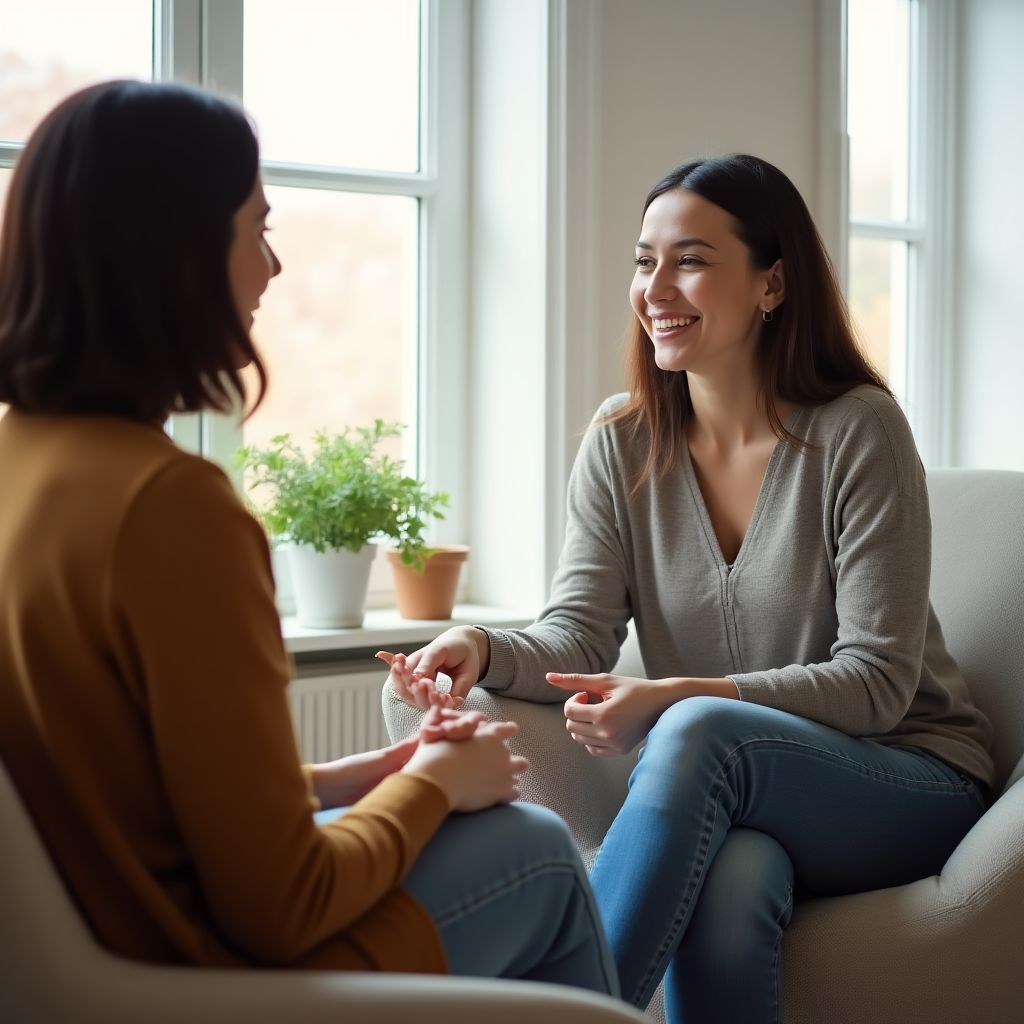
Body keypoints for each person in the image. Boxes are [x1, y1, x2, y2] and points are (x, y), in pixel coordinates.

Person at [0, 80, 618, 995]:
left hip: (95, 951)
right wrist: (439, 783)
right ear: (177, 257)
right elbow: (283, 901)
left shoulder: (22, 465)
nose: (273, 269)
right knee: (532, 846)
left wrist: (348, 779)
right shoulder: (171, 508)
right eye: (258, 229)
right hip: (196, 970)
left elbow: (131, 790)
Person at [385, 154, 995, 1022]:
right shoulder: (622, 440)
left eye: (693, 260)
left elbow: (878, 683)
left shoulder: (859, 430)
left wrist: (677, 696)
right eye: (645, 260)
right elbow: (576, 638)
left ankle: (556, 1012)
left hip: (907, 780)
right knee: (733, 878)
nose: (656, 287)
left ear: (772, 284)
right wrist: (480, 648)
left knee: (701, 728)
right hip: (748, 793)